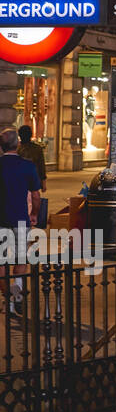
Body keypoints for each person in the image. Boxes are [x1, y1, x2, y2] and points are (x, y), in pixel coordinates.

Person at [2, 127, 43, 315]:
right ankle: (17, 293)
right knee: (20, 259)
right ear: (17, 144)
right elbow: (36, 195)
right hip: (20, 219)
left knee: (2, 263)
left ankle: (9, 299)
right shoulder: (28, 166)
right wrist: (34, 213)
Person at [16, 124, 47, 197]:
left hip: (20, 179)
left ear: (20, 135)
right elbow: (41, 167)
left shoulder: (16, 149)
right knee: (34, 198)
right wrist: (43, 183)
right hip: (34, 179)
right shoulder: (37, 148)